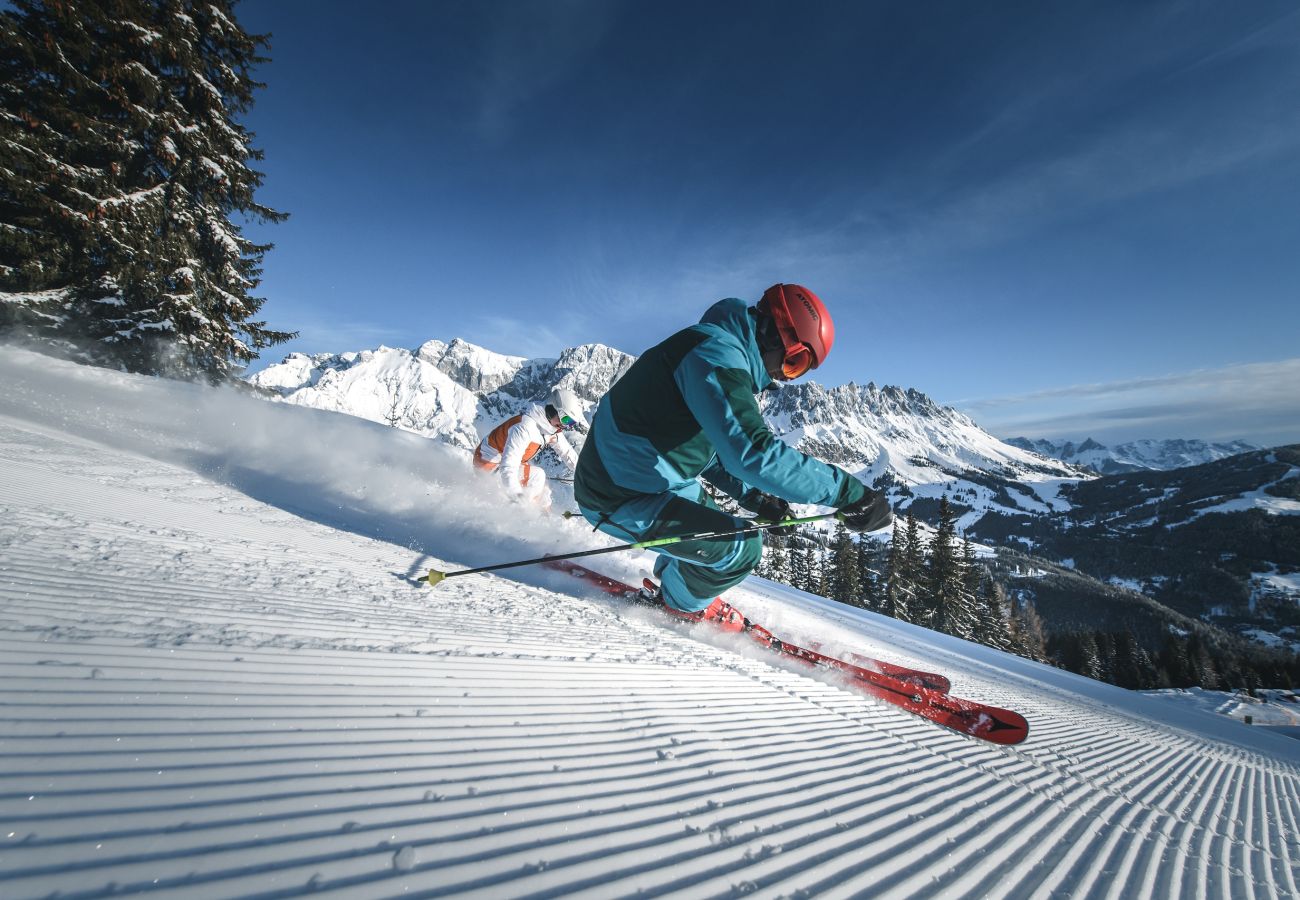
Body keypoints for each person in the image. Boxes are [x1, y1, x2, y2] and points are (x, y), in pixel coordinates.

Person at [574, 283, 892, 616]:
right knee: (742, 548)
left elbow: (710, 454)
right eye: (794, 362)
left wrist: (757, 500)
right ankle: (675, 607)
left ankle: (679, 583)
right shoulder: (714, 356)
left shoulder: (712, 348)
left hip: (648, 477)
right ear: (775, 333)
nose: (785, 378)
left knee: (719, 526)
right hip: (617, 494)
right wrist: (849, 493)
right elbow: (752, 453)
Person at [475, 387, 582, 508]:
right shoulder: (524, 428)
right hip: (488, 465)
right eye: (565, 419)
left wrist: (586, 476)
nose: (565, 426)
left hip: (503, 462)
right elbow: (508, 465)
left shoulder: (551, 428)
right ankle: (526, 514)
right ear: (552, 409)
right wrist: (516, 495)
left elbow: (568, 453)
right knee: (537, 478)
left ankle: (541, 514)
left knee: (541, 488)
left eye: (570, 423)